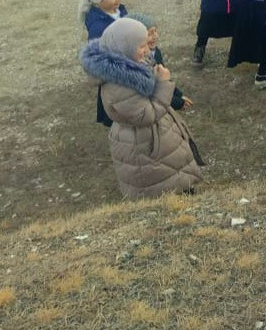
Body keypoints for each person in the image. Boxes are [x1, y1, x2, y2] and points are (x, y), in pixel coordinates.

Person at [79, 18, 204, 199]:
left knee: (176, 182)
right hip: (144, 147)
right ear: (125, 48)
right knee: (164, 191)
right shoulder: (119, 85)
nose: (147, 50)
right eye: (141, 46)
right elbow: (147, 115)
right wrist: (163, 84)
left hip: (153, 143)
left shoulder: (132, 65)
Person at [126, 12, 190, 116]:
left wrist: (178, 95)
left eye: (155, 31)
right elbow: (152, 92)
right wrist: (178, 103)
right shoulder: (134, 65)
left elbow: (163, 79)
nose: (156, 36)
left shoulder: (155, 52)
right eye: (150, 34)